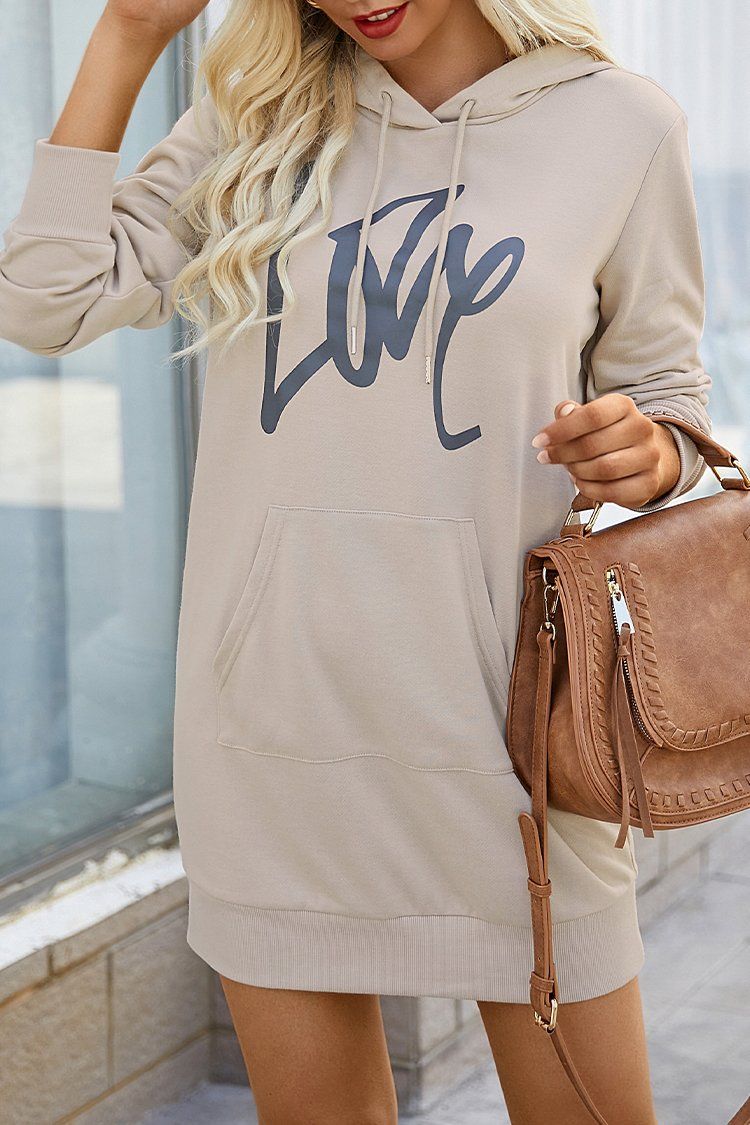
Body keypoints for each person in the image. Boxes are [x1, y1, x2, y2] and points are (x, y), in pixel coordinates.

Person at [0, 1, 712, 1121]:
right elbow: (44, 301)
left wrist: (650, 451)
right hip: (273, 729)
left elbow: (668, 394)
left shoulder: (622, 125)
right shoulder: (254, 118)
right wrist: (129, 35)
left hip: (514, 738)